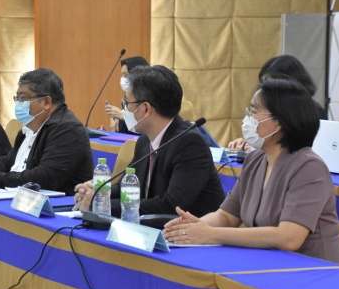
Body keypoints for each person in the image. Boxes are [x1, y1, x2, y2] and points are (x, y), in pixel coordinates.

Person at [164, 80, 339, 265]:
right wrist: (193, 228)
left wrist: (211, 234)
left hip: (314, 270)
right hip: (268, 264)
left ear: (279, 122)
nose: (247, 119)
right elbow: (225, 216)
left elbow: (289, 237)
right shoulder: (255, 159)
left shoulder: (309, 167)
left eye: (253, 112)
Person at [74, 66, 225, 217]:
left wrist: (101, 204)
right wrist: (98, 192)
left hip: (190, 230)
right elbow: (125, 188)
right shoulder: (145, 140)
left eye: (127, 103)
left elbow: (170, 206)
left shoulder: (190, 144)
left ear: (145, 108)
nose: (125, 110)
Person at [0, 68, 93, 195]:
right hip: (23, 197)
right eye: (17, 98)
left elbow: (46, 176)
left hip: (57, 203)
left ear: (46, 102)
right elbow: (8, 162)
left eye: (23, 98)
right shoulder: (28, 129)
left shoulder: (68, 129)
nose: (18, 104)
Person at [229, 54, 327, 151]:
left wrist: (255, 148)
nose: (263, 90)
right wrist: (251, 143)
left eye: (271, 84)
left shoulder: (314, 111)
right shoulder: (270, 108)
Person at [105, 56, 149, 134]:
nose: (123, 79)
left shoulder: (149, 99)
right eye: (122, 75)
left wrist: (123, 116)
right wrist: (116, 119)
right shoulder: (128, 98)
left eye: (126, 75)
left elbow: (147, 129)